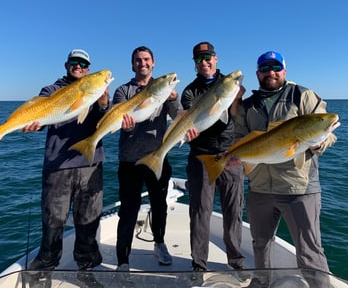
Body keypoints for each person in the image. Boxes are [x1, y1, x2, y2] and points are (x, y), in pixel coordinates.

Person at [234, 50, 337, 287]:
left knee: (309, 251)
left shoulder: (302, 95)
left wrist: (320, 143)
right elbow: (239, 137)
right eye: (265, 69)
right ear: (257, 74)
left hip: (299, 188)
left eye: (275, 67)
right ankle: (261, 283)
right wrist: (234, 157)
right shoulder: (248, 105)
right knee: (260, 244)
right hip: (259, 188)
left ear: (284, 70)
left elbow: (328, 132)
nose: (271, 72)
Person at [22, 49, 110, 285]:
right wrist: (33, 125)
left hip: (90, 163)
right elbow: (40, 113)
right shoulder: (51, 90)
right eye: (74, 62)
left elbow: (105, 120)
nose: (78, 66)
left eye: (83, 63)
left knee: (88, 218)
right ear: (66, 65)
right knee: (53, 219)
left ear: (89, 69)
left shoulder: (97, 92)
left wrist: (103, 102)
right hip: (58, 165)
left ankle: (87, 267)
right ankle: (46, 265)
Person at [113, 46, 183, 271]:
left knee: (159, 205)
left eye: (146, 60)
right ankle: (123, 259)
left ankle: (159, 243)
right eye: (137, 60)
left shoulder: (166, 89)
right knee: (128, 210)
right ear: (132, 64)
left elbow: (178, 116)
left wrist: (172, 99)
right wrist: (123, 123)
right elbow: (115, 117)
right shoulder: (123, 90)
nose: (142, 63)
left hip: (157, 158)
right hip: (129, 161)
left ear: (153, 63)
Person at [181, 42, 246, 274]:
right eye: (199, 59)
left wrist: (236, 99)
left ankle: (237, 263)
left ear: (216, 58)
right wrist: (186, 132)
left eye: (208, 57)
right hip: (200, 158)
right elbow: (197, 121)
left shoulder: (229, 85)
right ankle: (199, 265)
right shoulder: (189, 91)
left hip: (230, 156)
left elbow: (234, 116)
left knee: (234, 211)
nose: (204, 62)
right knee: (199, 213)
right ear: (195, 64)